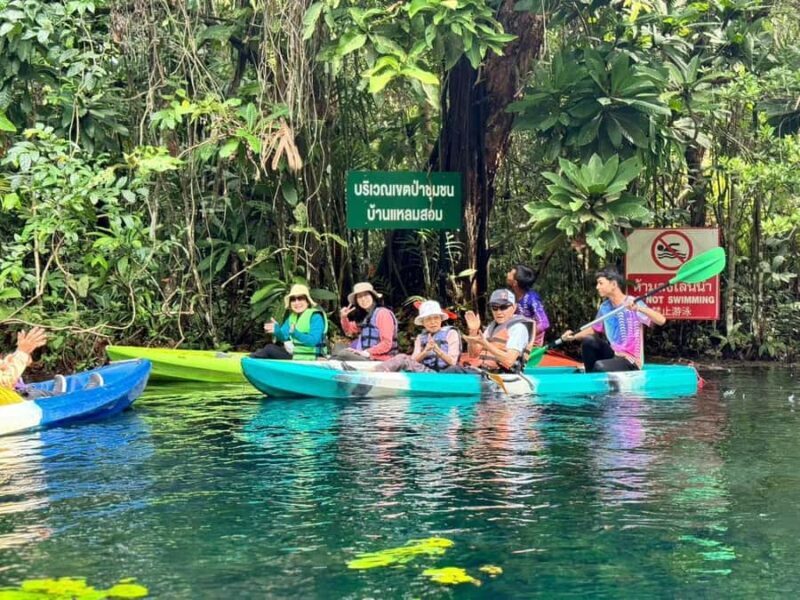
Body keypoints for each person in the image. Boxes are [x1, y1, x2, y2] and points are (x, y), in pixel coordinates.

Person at [560, 267, 666, 372]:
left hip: (631, 360)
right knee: (589, 341)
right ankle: (590, 376)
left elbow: (661, 320)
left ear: (614, 284)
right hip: (614, 354)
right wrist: (573, 336)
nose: (597, 287)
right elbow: (594, 329)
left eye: (600, 283)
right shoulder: (604, 307)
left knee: (599, 366)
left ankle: (594, 373)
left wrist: (638, 308)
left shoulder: (632, 302)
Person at [445, 288, 534, 374]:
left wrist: (485, 344)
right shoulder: (493, 326)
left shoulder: (518, 328)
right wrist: (473, 331)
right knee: (451, 370)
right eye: (494, 307)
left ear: (514, 307)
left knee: (453, 371)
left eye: (503, 307)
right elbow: (473, 354)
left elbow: (509, 361)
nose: (498, 312)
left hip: (503, 375)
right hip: (484, 372)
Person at [374, 300, 460, 373]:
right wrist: (425, 351)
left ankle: (375, 372)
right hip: (426, 372)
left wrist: (438, 351)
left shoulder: (451, 333)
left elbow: (453, 362)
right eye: (428, 319)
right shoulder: (420, 337)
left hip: (445, 374)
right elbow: (413, 361)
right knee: (403, 358)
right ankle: (376, 372)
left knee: (402, 358)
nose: (433, 322)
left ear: (441, 319)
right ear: (423, 322)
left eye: (436, 318)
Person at [250, 284, 329, 360]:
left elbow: (313, 341)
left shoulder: (316, 317)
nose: (296, 302)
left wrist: (295, 333)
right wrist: (277, 331)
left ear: (307, 301)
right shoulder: (292, 317)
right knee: (269, 347)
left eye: (300, 298)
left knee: (269, 349)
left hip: (311, 357)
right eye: (293, 299)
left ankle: (251, 359)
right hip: (295, 355)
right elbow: (284, 337)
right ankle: (254, 357)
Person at [333, 282, 398, 361]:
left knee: (344, 354)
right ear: (357, 301)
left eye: (366, 295)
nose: (363, 299)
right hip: (366, 356)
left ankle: (334, 361)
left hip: (380, 359)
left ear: (373, 296)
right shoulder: (365, 316)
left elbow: (387, 343)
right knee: (338, 346)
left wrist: (366, 352)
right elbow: (348, 330)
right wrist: (343, 317)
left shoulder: (383, 314)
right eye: (359, 297)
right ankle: (335, 360)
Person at [507, 264, 549, 346]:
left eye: (510, 273)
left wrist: (526, 335)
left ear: (515, 283)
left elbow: (544, 323)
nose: (507, 274)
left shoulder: (532, 298)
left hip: (531, 344)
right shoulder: (512, 295)